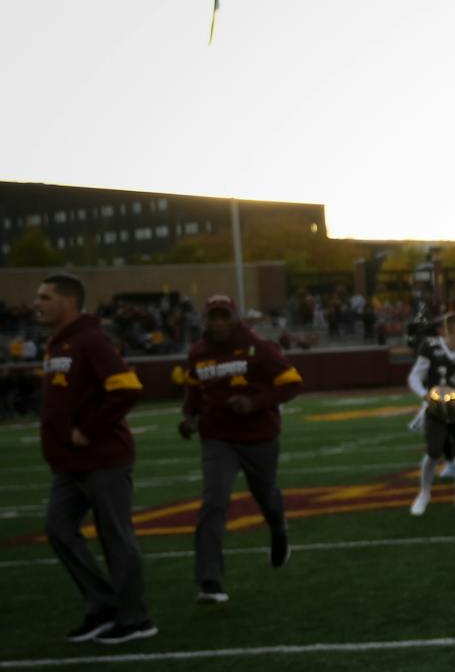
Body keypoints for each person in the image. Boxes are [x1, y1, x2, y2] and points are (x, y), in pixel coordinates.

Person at [35, 273, 154, 644]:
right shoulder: (58, 344)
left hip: (103, 457)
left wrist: (87, 429)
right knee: (58, 529)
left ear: (68, 302)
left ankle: (135, 618)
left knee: (115, 536)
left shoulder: (90, 340)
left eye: (45, 297)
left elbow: (127, 388)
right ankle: (102, 605)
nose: (37, 303)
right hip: (69, 463)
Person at [177, 294, 301, 602]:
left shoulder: (259, 347)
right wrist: (189, 418)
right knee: (213, 503)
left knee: (266, 496)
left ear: (235, 318)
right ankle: (210, 581)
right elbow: (193, 391)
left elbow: (292, 383)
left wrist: (254, 403)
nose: (218, 322)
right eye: (213, 317)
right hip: (217, 438)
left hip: (258, 436)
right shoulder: (198, 352)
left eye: (224, 316)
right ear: (205, 320)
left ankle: (278, 528)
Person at [407, 310, 455, 514]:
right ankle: (424, 493)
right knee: (433, 453)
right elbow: (414, 377)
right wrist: (426, 395)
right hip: (436, 410)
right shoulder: (431, 347)